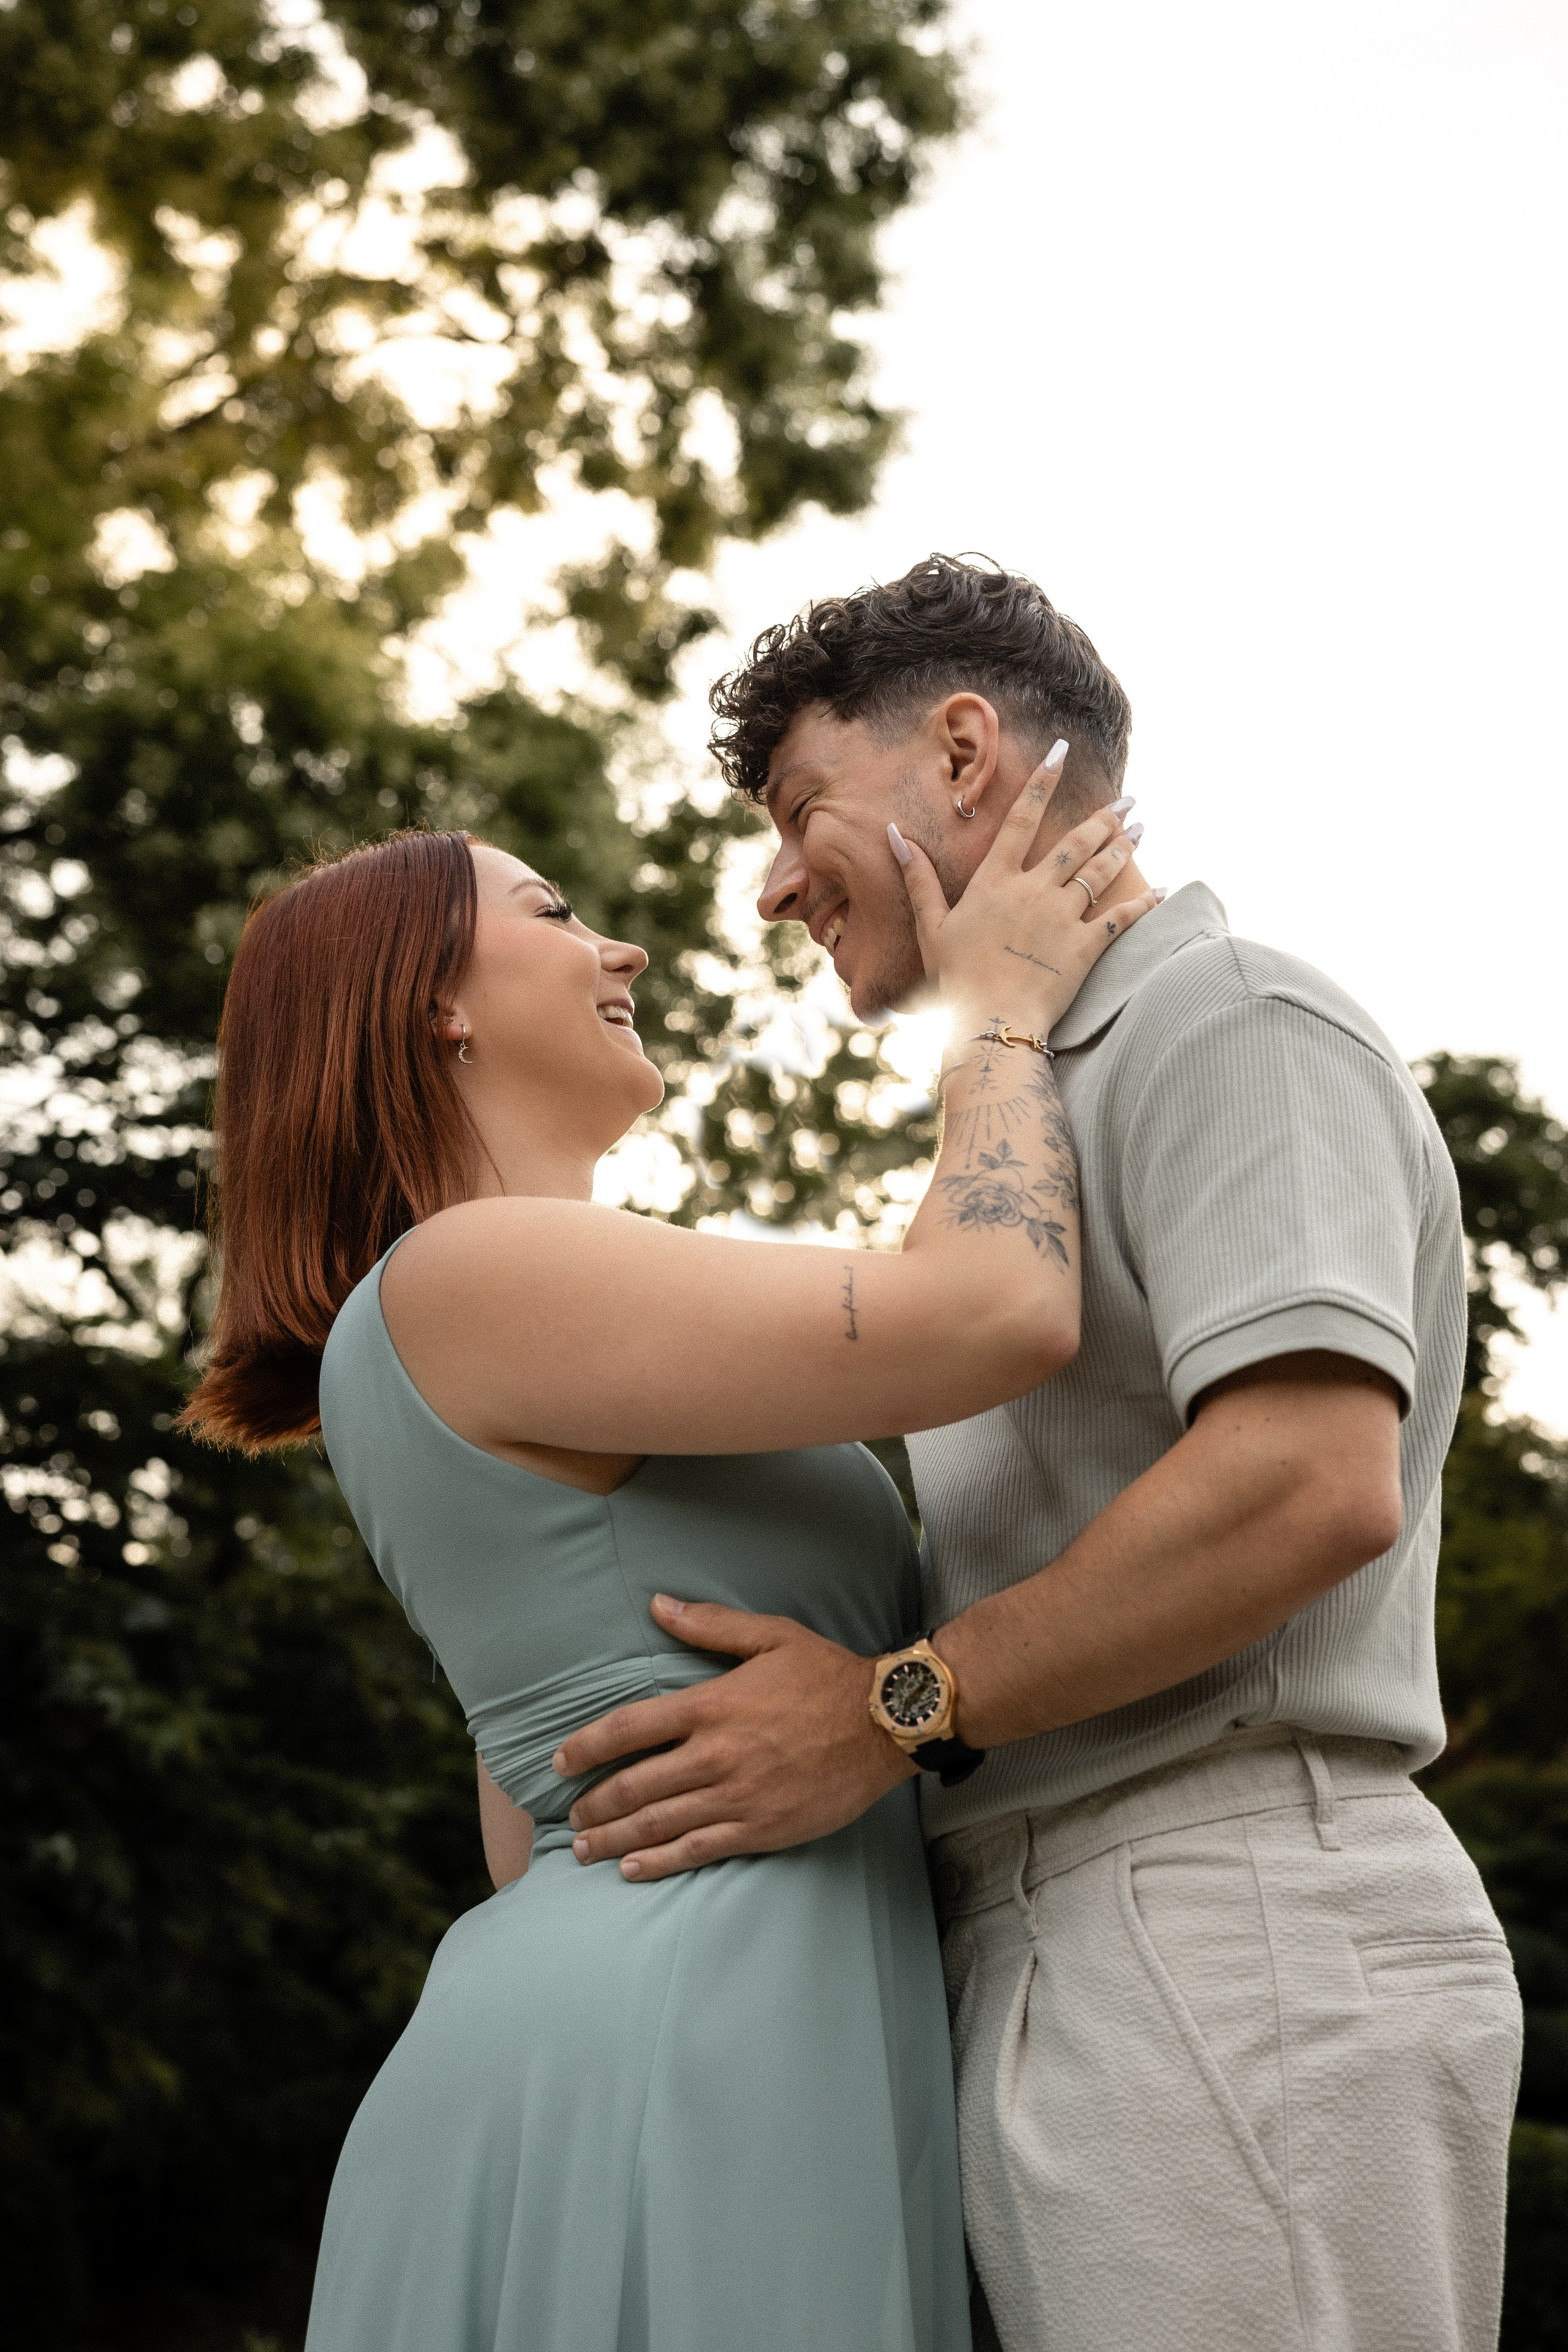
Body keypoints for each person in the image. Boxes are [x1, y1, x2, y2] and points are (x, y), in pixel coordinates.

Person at [556, 554, 1525, 2352]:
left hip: (1226, 1913)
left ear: (964, 751)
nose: (772, 886)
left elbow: (1305, 1481)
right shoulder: (1022, 1121)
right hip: (1062, 1931)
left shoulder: (1229, 1018)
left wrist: (885, 1712)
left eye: (799, 812)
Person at [178, 793, 1155, 2351]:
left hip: (693, 2010)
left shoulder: (476, 1320)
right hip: (700, 2031)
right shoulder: (473, 1271)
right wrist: (996, 1019)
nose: (620, 945)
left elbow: (532, 1826)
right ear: (434, 1003)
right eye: (553, 911)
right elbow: (999, 1311)